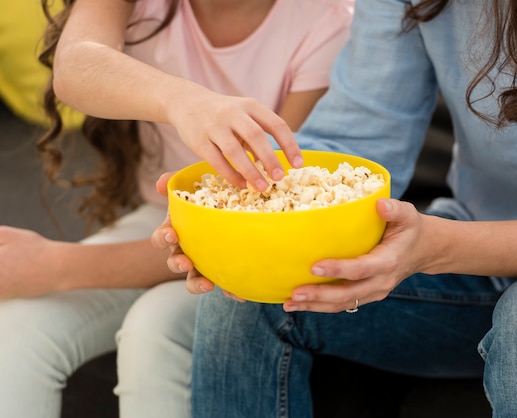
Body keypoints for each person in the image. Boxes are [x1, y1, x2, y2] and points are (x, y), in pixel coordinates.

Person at [152, 0, 517, 416]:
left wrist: (440, 248)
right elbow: (359, 137)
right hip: (480, 269)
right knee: (253, 295)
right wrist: (244, 218)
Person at [0, 0, 353, 417]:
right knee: (17, 326)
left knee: (155, 329)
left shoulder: (329, 24)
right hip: (160, 217)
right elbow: (76, 65)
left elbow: (263, 222)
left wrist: (56, 265)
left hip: (255, 246)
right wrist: (184, 101)